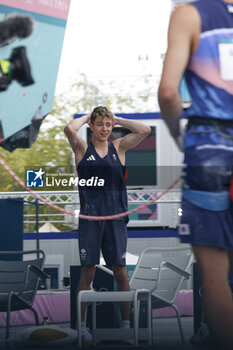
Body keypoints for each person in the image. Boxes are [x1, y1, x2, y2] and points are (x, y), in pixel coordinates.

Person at [158, 1, 233, 349]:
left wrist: (179, 136)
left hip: (209, 149)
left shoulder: (189, 14)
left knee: (215, 277)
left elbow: (169, 92)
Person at [64, 106, 150, 344]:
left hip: (116, 218)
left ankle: (125, 326)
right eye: (99, 124)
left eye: (108, 124)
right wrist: (86, 117)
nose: (104, 129)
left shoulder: (119, 147)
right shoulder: (82, 148)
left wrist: (116, 118)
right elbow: (69, 129)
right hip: (91, 219)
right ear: (92, 126)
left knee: (120, 270)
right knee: (88, 270)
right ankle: (82, 328)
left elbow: (145, 129)